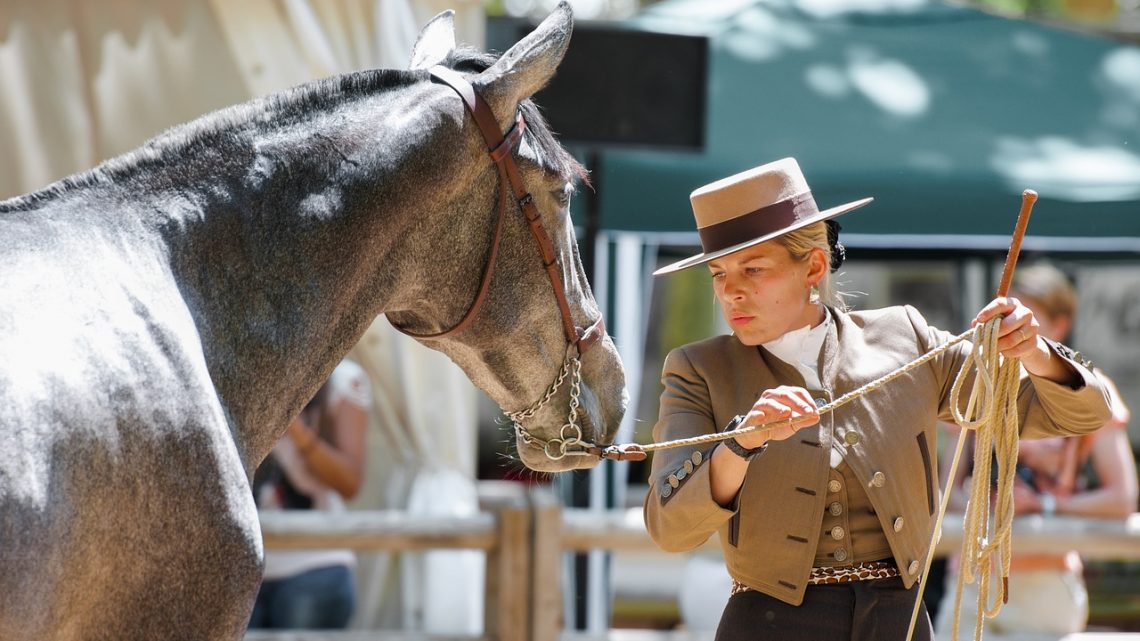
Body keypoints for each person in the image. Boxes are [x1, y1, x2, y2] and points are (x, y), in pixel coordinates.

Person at [642, 158, 1113, 641]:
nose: (732, 292)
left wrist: (1033, 350)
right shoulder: (697, 370)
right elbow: (670, 528)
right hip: (768, 624)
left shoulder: (905, 338)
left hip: (899, 623)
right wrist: (739, 447)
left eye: (753, 268)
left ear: (815, 266)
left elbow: (1080, 413)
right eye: (718, 274)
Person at [935, 263, 1138, 639]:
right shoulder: (973, 383)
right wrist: (987, 501)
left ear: (1059, 324)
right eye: (1003, 316)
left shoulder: (1087, 390)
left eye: (1024, 317)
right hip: (972, 576)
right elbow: (947, 492)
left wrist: (1042, 505)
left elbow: (1123, 498)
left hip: (1047, 579)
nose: (1009, 328)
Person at [249, 359, 371, 629]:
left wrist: (294, 426)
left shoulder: (344, 378)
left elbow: (350, 483)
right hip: (242, 569)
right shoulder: (243, 369)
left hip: (316, 566)